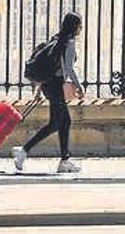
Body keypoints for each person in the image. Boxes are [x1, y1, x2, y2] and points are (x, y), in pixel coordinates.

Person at [13, 12, 85, 174]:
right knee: (59, 122)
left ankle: (64, 161)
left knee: (62, 122)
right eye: (80, 25)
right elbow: (67, 69)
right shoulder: (69, 42)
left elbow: (50, 67)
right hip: (56, 86)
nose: (81, 28)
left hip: (48, 85)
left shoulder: (56, 39)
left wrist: (39, 89)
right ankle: (23, 151)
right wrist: (79, 86)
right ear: (75, 27)